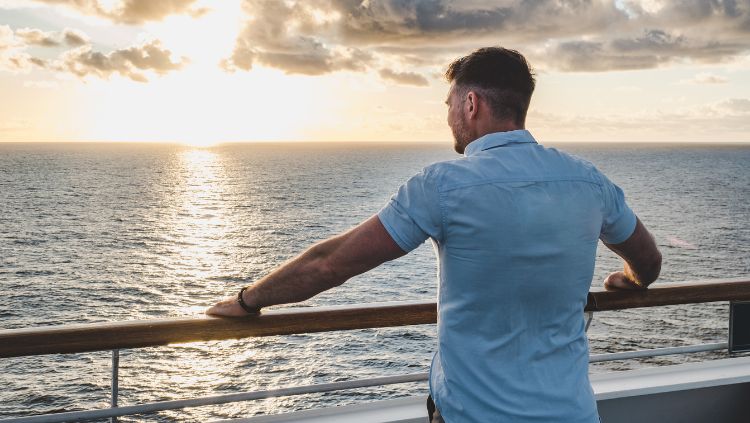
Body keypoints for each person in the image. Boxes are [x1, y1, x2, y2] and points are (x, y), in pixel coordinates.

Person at [207, 47, 662, 422]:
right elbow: (649, 260)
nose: (448, 118)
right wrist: (631, 279)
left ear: (471, 104)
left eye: (449, 104)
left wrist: (250, 299)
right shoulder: (587, 181)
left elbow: (331, 263)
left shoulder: (443, 186)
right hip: (573, 414)